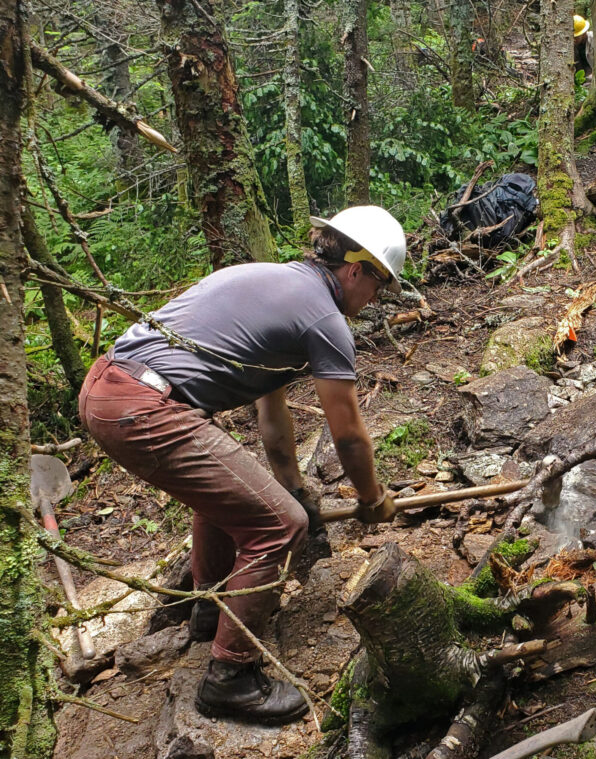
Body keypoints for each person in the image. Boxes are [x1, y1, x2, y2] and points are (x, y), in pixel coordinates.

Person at [78, 206, 407, 725]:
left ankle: (211, 612)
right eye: (380, 287)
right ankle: (231, 679)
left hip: (109, 388)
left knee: (236, 495)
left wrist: (294, 485)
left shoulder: (272, 284)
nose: (374, 302)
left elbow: (273, 425)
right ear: (357, 269)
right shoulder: (323, 318)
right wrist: (372, 499)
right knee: (280, 524)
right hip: (145, 406)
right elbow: (347, 434)